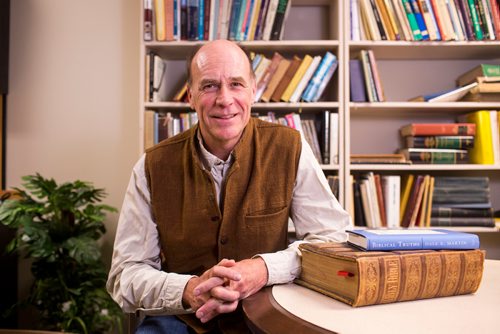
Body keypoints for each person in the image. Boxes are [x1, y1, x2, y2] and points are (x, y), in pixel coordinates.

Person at [106, 39, 351, 333]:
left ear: (253, 91)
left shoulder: (290, 148)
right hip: (180, 318)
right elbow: (124, 275)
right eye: (209, 86)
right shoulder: (152, 165)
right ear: (191, 97)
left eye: (236, 84)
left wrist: (262, 270)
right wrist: (190, 289)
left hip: (267, 311)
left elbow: (330, 239)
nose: (224, 99)